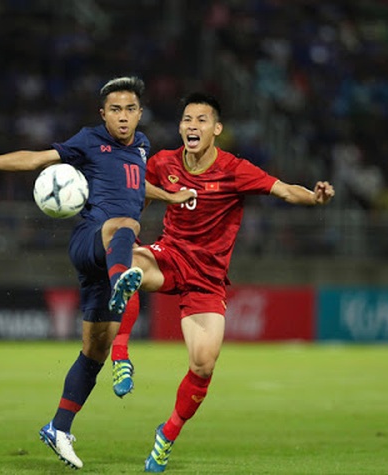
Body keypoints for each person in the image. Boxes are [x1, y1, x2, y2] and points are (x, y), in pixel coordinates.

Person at [0, 76, 192, 469]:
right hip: (91, 240)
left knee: (95, 350)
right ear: (103, 114)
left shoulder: (142, 146)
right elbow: (35, 158)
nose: (123, 117)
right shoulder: (88, 140)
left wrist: (170, 195)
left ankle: (59, 427)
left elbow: (135, 185)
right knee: (126, 225)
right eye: (115, 110)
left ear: (139, 113)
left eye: (130, 109)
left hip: (111, 254)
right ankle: (122, 282)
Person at [108, 92, 335, 472]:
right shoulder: (163, 163)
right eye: (186, 119)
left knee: (203, 364)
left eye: (200, 120)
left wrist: (314, 197)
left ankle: (167, 435)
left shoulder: (235, 170)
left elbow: (283, 189)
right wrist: (130, 220)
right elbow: (136, 194)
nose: (191, 126)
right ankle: (120, 356)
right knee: (127, 266)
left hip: (208, 280)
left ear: (217, 129)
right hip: (170, 255)